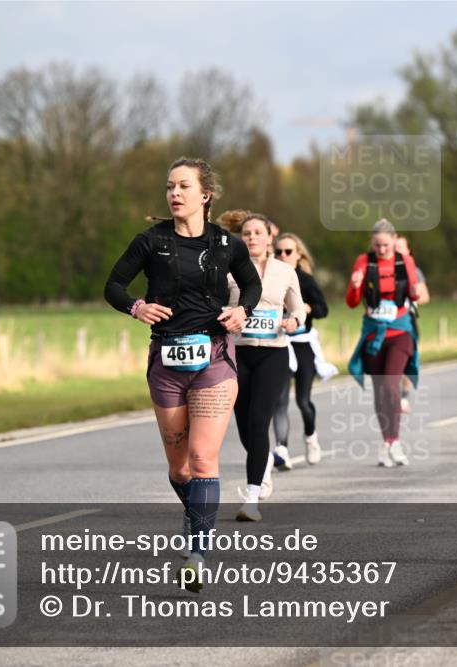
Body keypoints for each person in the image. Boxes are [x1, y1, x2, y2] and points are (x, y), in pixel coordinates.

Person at [103, 157, 261, 591]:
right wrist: (137, 307)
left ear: (204, 195)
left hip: (213, 358)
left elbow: (251, 285)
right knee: (179, 469)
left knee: (202, 458)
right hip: (166, 362)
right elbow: (113, 286)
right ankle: (197, 520)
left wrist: (241, 310)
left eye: (183, 186)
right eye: (169, 186)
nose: (174, 193)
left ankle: (198, 553)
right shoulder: (150, 241)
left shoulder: (226, 245)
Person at [223, 211, 306, 521]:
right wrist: (227, 315)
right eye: (247, 233)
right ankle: (264, 462)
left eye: (258, 232)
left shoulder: (285, 271)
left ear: (270, 236)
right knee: (245, 426)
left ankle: (252, 498)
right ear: (240, 238)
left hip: (273, 353)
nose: (252, 237)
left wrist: (294, 320)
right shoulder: (229, 272)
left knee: (259, 421)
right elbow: (217, 303)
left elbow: (299, 308)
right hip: (239, 353)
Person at [347, 219, 422, 468]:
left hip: (400, 332)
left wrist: (415, 289)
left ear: (394, 241)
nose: (381, 250)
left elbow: (414, 294)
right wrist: (356, 286)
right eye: (377, 245)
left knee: (391, 385)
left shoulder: (403, 260)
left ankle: (395, 440)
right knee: (380, 391)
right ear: (372, 243)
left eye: (386, 245)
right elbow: (351, 301)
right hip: (373, 334)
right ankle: (387, 441)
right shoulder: (364, 261)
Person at [271, 232, 329, 469]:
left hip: (303, 344)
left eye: (288, 252)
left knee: (303, 401)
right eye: (278, 252)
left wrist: (305, 307)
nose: (283, 256)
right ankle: (281, 449)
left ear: (298, 255)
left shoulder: (305, 280)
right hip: (279, 343)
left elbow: (323, 309)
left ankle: (311, 437)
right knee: (280, 400)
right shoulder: (269, 278)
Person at [395, 235, 429, 413]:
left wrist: (413, 299)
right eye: (395, 248)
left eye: (402, 248)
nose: (398, 251)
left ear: (409, 251)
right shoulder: (381, 270)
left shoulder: (414, 271)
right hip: (388, 323)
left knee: (407, 362)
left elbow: (425, 296)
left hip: (408, 321)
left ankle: (403, 397)